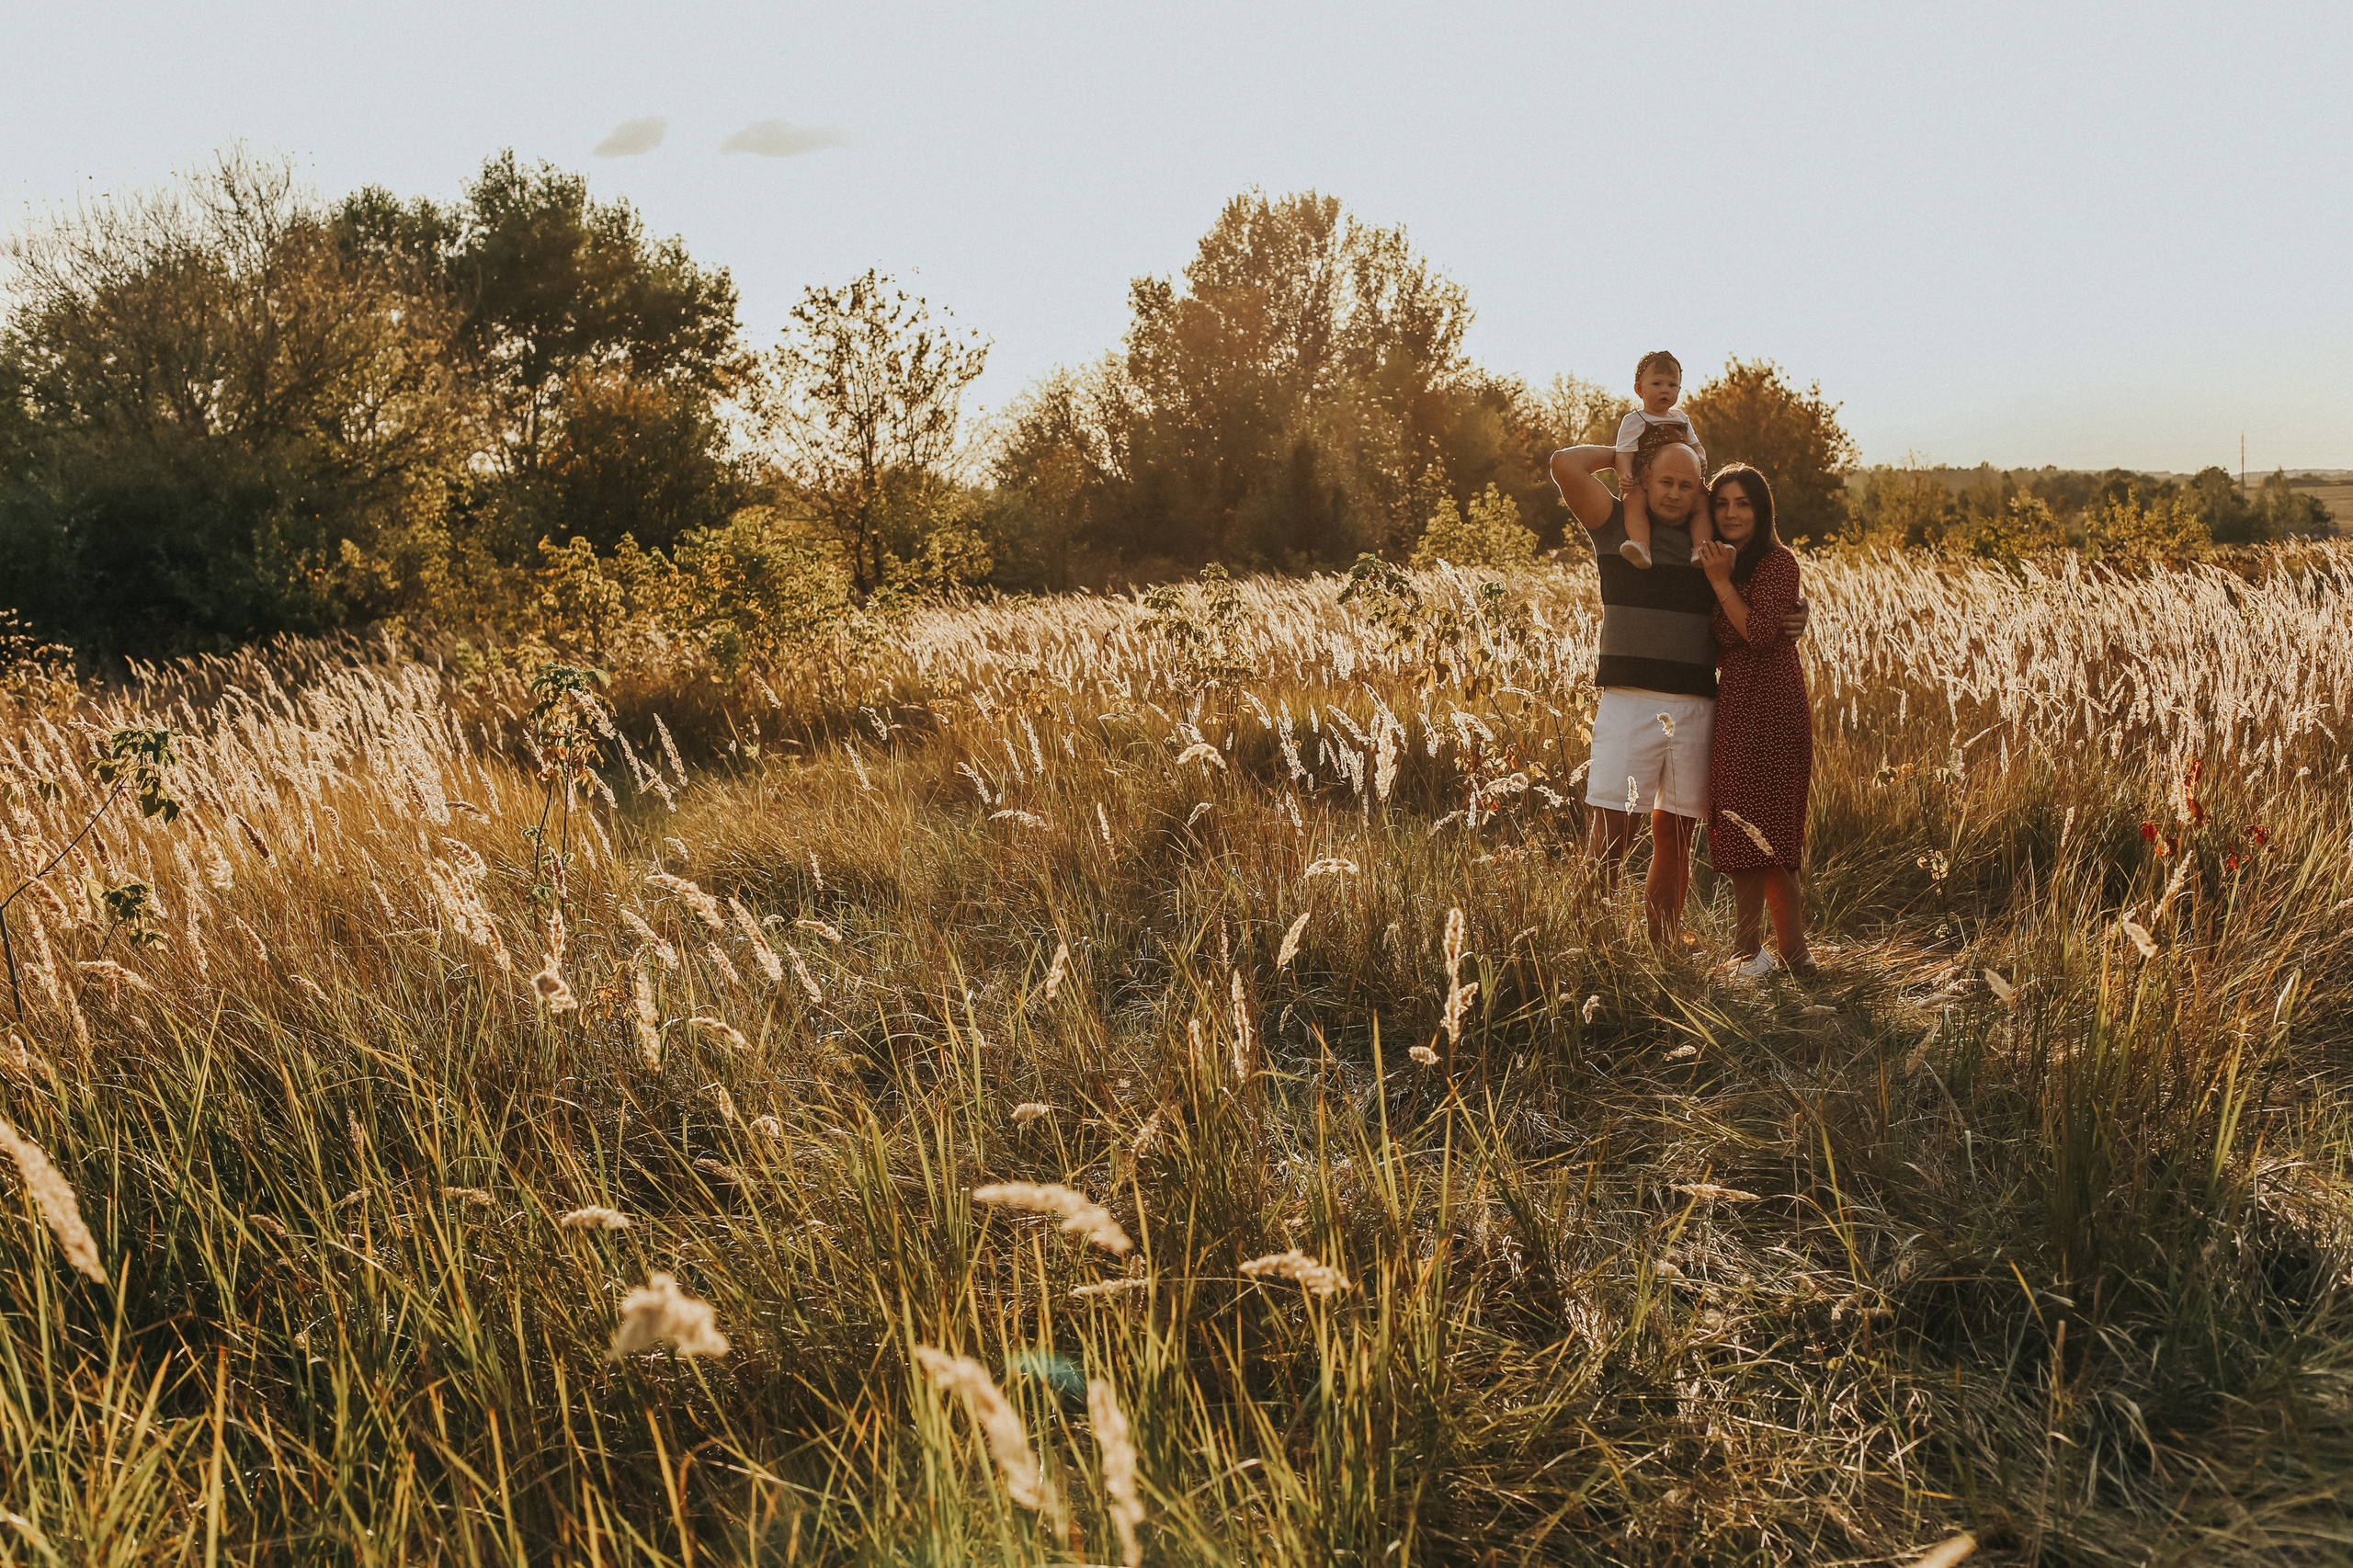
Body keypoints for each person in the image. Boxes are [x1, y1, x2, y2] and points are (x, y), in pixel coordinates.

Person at [1549, 438, 1806, 948]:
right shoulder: (1617, 525)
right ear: (1644, 477)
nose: (1673, 493)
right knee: (1610, 838)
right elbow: (1564, 464)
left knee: (1676, 840)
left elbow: (1769, 590)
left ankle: (1664, 953)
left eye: (1687, 485)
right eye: (1664, 481)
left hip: (1697, 707)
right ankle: (1587, 952)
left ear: (1701, 491)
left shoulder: (1712, 549)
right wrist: (1639, 443)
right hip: (1628, 702)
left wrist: (1799, 612)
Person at [1695, 465, 1814, 977]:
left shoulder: (1776, 562)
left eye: (1742, 503)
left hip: (1774, 707)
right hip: (1736, 707)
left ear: (1761, 511)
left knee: (1769, 831)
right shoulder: (1721, 562)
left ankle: (1770, 954)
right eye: (1721, 503)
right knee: (1743, 827)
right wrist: (1721, 577)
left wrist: (1720, 583)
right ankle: (1776, 954)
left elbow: (1762, 633)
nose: (1731, 513)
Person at [1614, 351, 1710, 570]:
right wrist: (1625, 474)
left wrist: (1701, 458)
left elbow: (1695, 445)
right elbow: (1624, 452)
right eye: (1657, 383)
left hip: (1678, 480)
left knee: (1702, 502)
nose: (1665, 390)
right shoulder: (1635, 420)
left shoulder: (1681, 418)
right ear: (1639, 389)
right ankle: (1641, 545)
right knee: (1633, 499)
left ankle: (1701, 548)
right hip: (1644, 482)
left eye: (1672, 385)